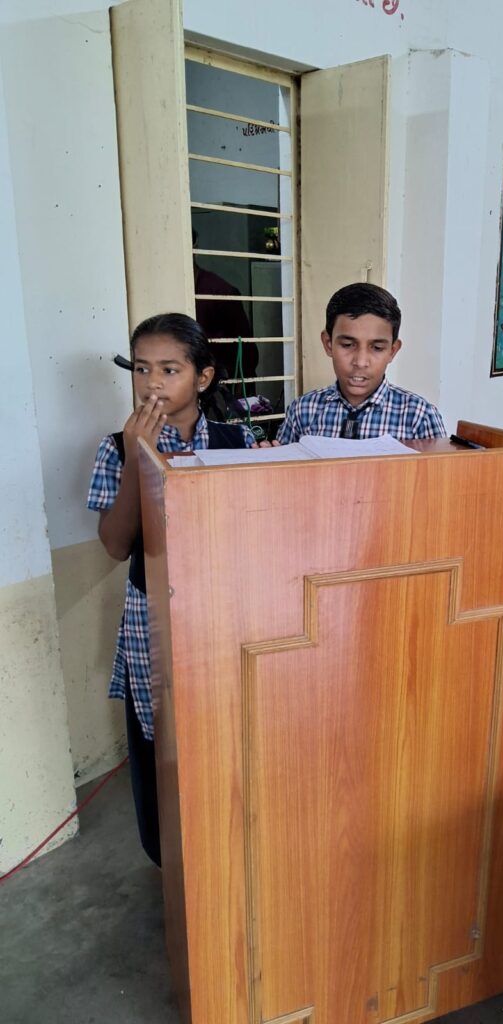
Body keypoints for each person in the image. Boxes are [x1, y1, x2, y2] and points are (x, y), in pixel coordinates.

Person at [87, 313, 256, 866]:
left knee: (227, 726)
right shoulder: (116, 448)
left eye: (168, 369)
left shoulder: (237, 440)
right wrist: (140, 457)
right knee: (163, 738)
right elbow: (117, 545)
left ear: (202, 378)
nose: (151, 383)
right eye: (141, 369)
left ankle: (228, 846)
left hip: (226, 610)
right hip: (153, 615)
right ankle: (172, 861)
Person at [277, 283, 446, 443]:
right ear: (328, 344)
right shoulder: (302, 411)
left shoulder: (419, 417)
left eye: (377, 348)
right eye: (347, 345)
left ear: (392, 351)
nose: (360, 362)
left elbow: (443, 466)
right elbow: (283, 462)